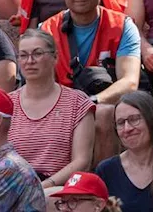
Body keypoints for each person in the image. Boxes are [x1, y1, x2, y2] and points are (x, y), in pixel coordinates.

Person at [40, 0, 140, 161]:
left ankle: (100, 186)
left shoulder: (122, 25)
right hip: (59, 109)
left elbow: (130, 82)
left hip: (106, 107)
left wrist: (89, 104)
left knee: (102, 113)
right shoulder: (47, 30)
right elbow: (39, 86)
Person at [8, 30, 95, 187]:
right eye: (23, 55)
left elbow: (82, 161)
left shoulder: (77, 102)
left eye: (37, 53)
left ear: (55, 57)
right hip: (13, 187)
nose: (30, 61)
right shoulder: (7, 103)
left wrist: (43, 187)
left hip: (58, 189)